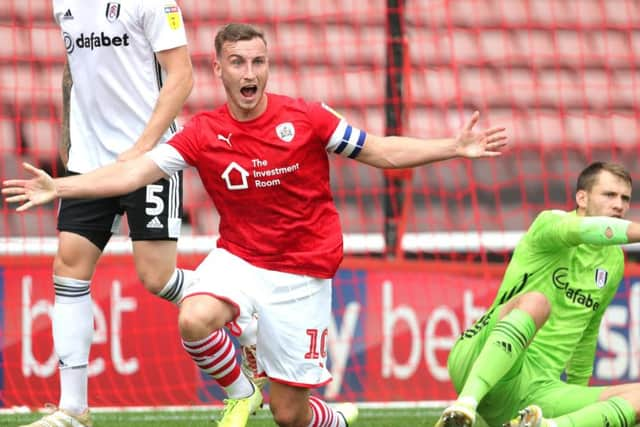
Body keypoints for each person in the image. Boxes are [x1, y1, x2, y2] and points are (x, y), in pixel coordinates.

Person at [4, 23, 508, 427]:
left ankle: (328, 418)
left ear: (268, 67)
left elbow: (379, 151)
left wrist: (452, 147)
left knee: (292, 415)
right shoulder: (203, 132)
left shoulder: (307, 117)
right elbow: (134, 171)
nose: (251, 72)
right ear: (219, 69)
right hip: (239, 260)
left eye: (259, 62)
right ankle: (242, 392)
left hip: (302, 274)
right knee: (193, 317)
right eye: (239, 62)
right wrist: (61, 186)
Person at [17, 2, 257, 427]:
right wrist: (69, 143)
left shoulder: (152, 3)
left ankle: (246, 312)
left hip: (153, 157)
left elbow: (182, 77)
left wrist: (143, 148)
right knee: (69, 267)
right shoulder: (63, 3)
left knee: (155, 276)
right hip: (90, 161)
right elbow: (74, 73)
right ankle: (73, 410)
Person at [434, 162, 640, 427]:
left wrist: (578, 395)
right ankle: (463, 408)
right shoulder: (551, 223)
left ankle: (545, 426)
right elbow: (589, 229)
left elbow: (587, 333)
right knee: (537, 302)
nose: (619, 205)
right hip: (479, 359)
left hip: (535, 391)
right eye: (609, 195)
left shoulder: (613, 261)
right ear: (582, 198)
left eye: (625, 198)